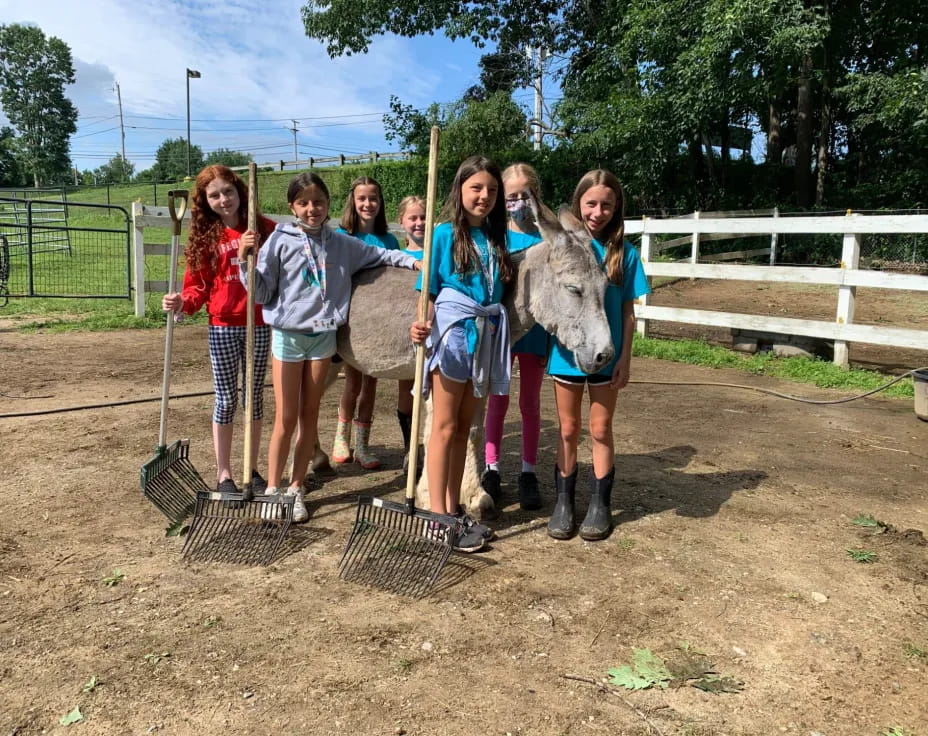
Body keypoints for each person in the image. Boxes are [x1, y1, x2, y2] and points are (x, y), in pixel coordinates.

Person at [239, 173, 419, 522]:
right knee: (286, 418)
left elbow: (380, 254)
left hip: (323, 338)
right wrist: (246, 261)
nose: (312, 209)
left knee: (309, 416)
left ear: (329, 205)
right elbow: (262, 294)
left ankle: (295, 489)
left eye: (318, 202)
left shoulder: (341, 244)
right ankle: (273, 489)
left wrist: (414, 261)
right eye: (303, 203)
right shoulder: (279, 240)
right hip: (288, 337)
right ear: (292, 206)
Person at [410, 156, 514, 553]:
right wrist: (420, 323)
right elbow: (429, 292)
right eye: (476, 188)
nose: (484, 196)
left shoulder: (496, 238)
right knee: (444, 427)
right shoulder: (442, 235)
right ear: (460, 191)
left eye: (491, 189)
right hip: (453, 337)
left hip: (484, 339)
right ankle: (437, 518)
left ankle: (451, 509)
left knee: (464, 430)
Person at [546, 169, 650, 541]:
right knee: (569, 428)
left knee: (601, 429)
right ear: (579, 205)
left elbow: (627, 311)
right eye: (591, 203)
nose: (598, 211)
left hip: (608, 354)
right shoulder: (564, 251)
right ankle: (563, 502)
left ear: (616, 207)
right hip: (567, 354)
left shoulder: (626, 254)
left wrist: (625, 358)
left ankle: (600, 503)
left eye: (607, 204)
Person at [161, 164, 275, 495]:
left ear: (240, 191)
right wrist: (182, 301)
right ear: (205, 200)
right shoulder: (206, 238)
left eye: (228, 191)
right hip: (223, 326)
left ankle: (250, 468)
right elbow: (197, 287)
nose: (223, 199)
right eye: (214, 195)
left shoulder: (264, 229)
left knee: (252, 399)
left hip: (258, 324)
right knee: (225, 400)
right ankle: (224, 473)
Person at [481, 163, 549, 511]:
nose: (518, 202)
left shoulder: (545, 237)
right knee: (498, 398)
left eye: (524, 195)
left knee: (530, 403)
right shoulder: (495, 237)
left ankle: (527, 471)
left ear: (534, 196)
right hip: (502, 330)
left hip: (536, 332)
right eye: (511, 196)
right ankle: (491, 467)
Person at [331, 177, 400, 470]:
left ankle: (362, 443)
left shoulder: (389, 240)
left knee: (371, 381)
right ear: (353, 201)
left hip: (378, 319)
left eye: (373, 198)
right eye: (362, 198)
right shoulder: (341, 236)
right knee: (352, 380)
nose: (368, 204)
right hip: (348, 317)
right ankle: (341, 436)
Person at [396, 195, 426, 473]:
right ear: (401, 221)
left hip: (428, 332)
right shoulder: (397, 256)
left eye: (423, 217)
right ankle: (410, 449)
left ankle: (426, 448)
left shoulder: (436, 253)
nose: (419, 223)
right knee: (407, 392)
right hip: (404, 332)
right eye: (413, 218)